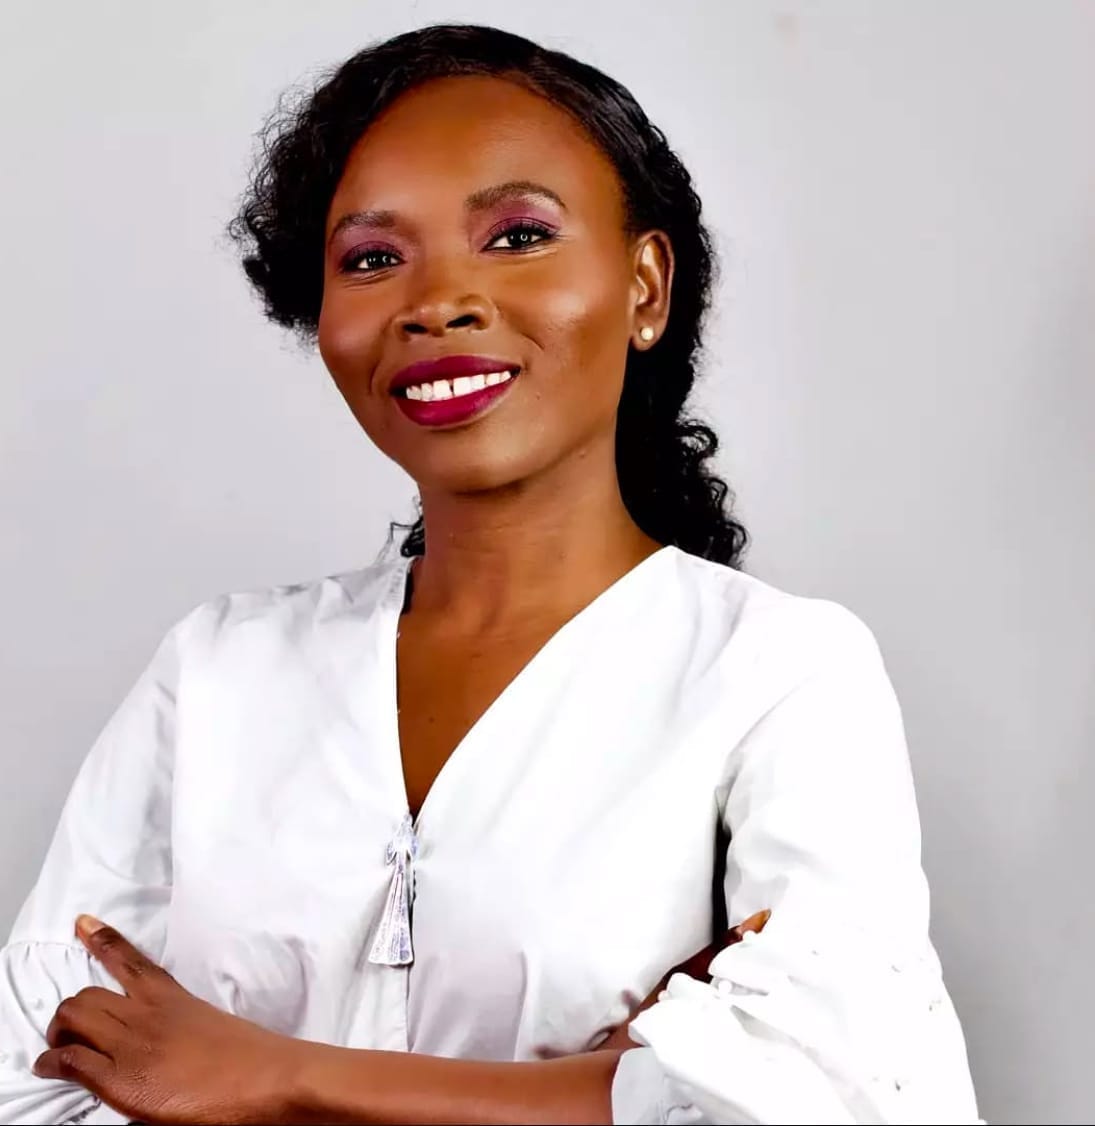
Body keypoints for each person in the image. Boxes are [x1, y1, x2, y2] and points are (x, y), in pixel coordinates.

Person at [0, 23, 980, 1126]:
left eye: (517, 236)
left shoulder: (774, 672)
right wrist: (611, 1085)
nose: (438, 301)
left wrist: (272, 1076)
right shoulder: (220, 670)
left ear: (646, 287)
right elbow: (37, 1080)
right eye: (371, 259)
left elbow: (837, 1092)